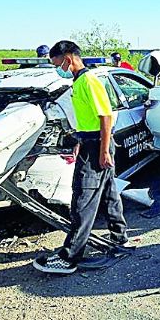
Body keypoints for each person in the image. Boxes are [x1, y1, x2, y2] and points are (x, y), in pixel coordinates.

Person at [33, 40, 128, 274]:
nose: (57, 67)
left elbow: (105, 117)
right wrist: (79, 141)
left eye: (56, 62)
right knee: (107, 193)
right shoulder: (78, 82)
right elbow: (86, 119)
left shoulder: (89, 81)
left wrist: (103, 150)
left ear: (68, 57)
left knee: (83, 200)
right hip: (90, 142)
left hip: (98, 145)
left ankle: (70, 256)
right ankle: (120, 236)